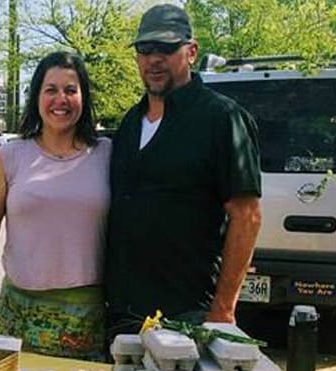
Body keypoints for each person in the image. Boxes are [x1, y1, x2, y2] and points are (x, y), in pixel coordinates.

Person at [105, 3, 262, 332]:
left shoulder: (222, 119)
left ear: (191, 52)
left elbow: (246, 216)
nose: (154, 59)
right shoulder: (129, 125)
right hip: (124, 314)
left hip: (189, 314)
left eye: (165, 48)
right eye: (145, 49)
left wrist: (222, 311)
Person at [0, 51, 112, 360]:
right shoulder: (10, 156)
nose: (60, 99)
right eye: (50, 89)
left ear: (83, 97)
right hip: (19, 314)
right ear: (37, 96)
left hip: (86, 317)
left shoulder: (108, 154)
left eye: (70, 90)